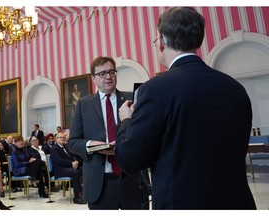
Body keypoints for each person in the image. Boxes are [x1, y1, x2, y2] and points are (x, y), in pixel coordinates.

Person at [115, 7, 256, 210]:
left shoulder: (155, 90)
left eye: (156, 41)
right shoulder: (234, 88)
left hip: (183, 203)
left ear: (162, 42)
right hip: (237, 203)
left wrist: (127, 120)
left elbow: (129, 159)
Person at [67, 56, 147, 210]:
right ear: (93, 78)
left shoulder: (132, 99)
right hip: (100, 183)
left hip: (130, 180)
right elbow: (72, 142)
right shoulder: (84, 104)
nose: (108, 77)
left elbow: (144, 134)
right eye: (102, 74)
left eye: (111, 72)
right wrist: (91, 145)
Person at [51, 132, 86, 204]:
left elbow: (73, 155)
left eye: (64, 137)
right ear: (56, 139)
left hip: (69, 167)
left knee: (84, 170)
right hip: (60, 170)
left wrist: (75, 161)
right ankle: (77, 197)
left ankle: (84, 193)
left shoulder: (66, 146)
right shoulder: (54, 148)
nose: (63, 139)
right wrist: (71, 163)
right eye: (61, 137)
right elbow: (59, 161)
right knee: (76, 173)